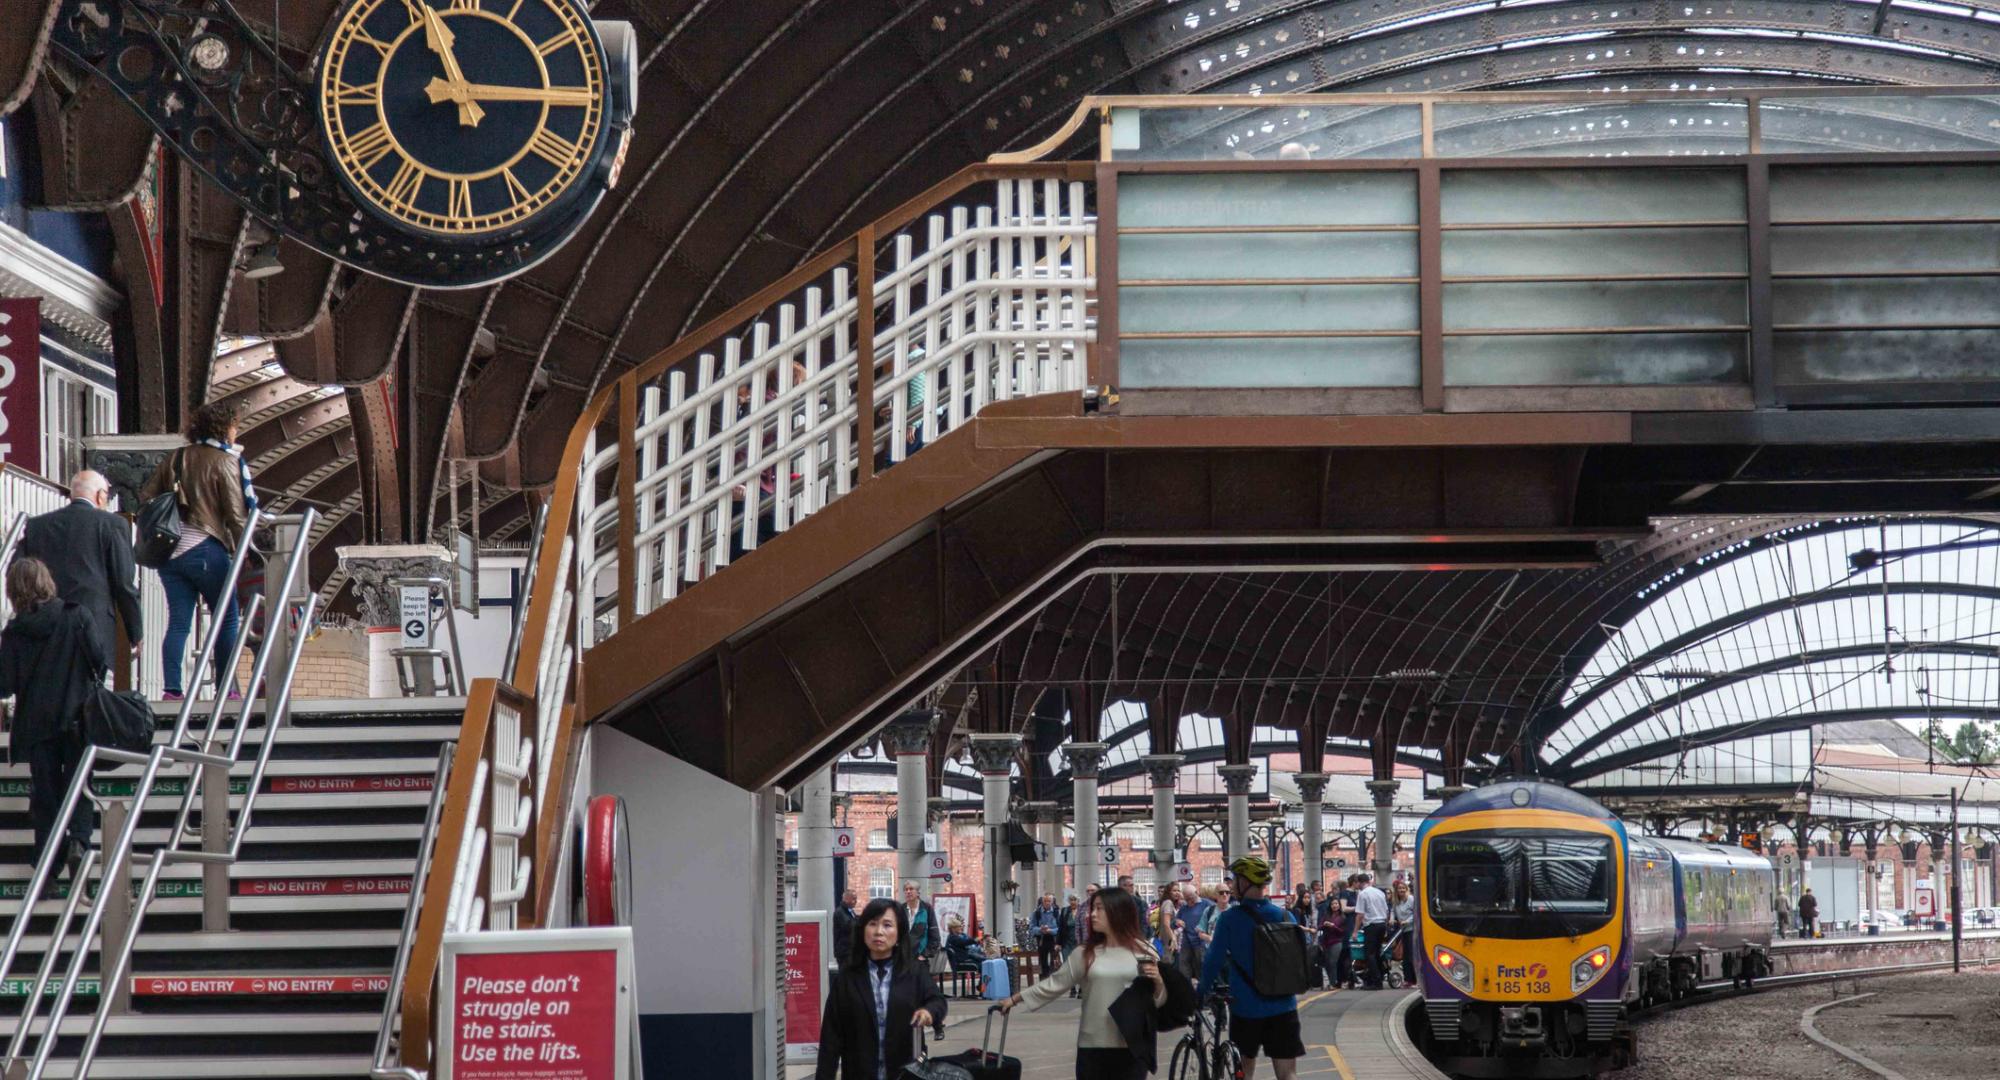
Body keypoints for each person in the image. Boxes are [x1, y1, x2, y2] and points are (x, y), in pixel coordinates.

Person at [0, 559, 109, 882]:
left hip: (36, 725)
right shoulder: (76, 616)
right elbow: (98, 662)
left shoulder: (14, 632)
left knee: (45, 796)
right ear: (47, 581)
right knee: (80, 783)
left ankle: (47, 866)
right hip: (78, 718)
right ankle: (78, 840)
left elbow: (5, 684)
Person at [141, 401, 257, 701]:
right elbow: (236, 514)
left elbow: (147, 496)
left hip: (170, 553)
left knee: (178, 621)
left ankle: (172, 690)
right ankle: (227, 689)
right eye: (234, 425)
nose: (236, 430)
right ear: (224, 427)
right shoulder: (225, 461)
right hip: (206, 549)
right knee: (226, 618)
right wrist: (247, 550)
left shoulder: (176, 458)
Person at [999, 887, 1167, 1080]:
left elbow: (1158, 1000)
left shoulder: (1145, 951)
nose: (1092, 914)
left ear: (1119, 912)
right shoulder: (1085, 953)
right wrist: (1014, 999)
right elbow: (1054, 984)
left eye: (1099, 909)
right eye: (1092, 908)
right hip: (1093, 1043)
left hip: (1133, 1043)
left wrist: (1159, 981)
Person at [14, 470, 143, 675]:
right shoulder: (113, 524)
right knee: (91, 691)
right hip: (94, 626)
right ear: (100, 495)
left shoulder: (38, 525)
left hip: (47, 624)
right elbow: (123, 583)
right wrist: (135, 632)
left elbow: (18, 571)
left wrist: (28, 611)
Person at [814, 898, 946, 1079]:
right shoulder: (848, 977)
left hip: (905, 1073)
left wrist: (929, 1011)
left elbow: (938, 1000)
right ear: (862, 930)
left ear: (899, 932)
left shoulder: (913, 971)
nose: (879, 932)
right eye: (872, 924)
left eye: (887, 925)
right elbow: (831, 1037)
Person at [1199, 856, 1304, 1080]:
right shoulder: (1286, 916)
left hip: (1245, 1008)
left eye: (1235, 879)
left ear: (1244, 883)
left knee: (1244, 1072)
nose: (1231, 884)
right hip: (1284, 1006)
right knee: (1288, 1074)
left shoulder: (1230, 919)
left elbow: (1213, 961)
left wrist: (1200, 994)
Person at [1354, 872, 1390, 990]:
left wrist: (1355, 931)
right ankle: (1379, 976)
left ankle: (1376, 981)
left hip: (1371, 925)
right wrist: (1385, 927)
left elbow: (1360, 914)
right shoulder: (1380, 892)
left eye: (1357, 883)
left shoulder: (1362, 894)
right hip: (1381, 925)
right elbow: (1386, 911)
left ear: (1360, 882)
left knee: (1369, 954)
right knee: (1378, 952)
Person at [1177, 885, 1216, 981]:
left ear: (1197, 893)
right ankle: (1186, 987)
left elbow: (1216, 920)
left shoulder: (1207, 904)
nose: (1189, 901)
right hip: (1186, 941)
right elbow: (1175, 921)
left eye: (1191, 898)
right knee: (1183, 965)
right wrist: (1177, 921)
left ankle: (1202, 989)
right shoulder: (1184, 907)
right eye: (1186, 899)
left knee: (1201, 966)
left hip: (1201, 941)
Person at [900, 881, 940, 961]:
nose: (908, 891)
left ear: (918, 893)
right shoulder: (900, 909)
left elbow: (935, 935)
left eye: (911, 889)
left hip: (920, 958)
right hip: (902, 958)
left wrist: (925, 954)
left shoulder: (927, 908)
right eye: (906, 889)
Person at [1029, 892, 1063, 979]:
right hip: (1041, 940)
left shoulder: (1057, 912)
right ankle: (1043, 981)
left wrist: (1050, 930)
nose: (1047, 903)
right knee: (1043, 963)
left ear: (1052, 902)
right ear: (1042, 901)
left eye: (1049, 901)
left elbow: (1061, 928)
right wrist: (1040, 930)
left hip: (1054, 939)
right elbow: (1032, 928)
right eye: (1045, 901)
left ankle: (1053, 982)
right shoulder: (1036, 912)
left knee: (1054, 962)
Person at [1390, 878, 1416, 986]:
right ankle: (1408, 979)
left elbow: (1416, 913)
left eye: (1403, 888)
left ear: (1406, 889)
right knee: (1404, 956)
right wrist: (1391, 919)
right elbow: (1392, 910)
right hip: (1402, 930)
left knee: (1410, 955)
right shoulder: (1396, 901)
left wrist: (1407, 921)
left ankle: (1414, 979)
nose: (1401, 890)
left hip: (1411, 930)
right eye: (1399, 888)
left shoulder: (1411, 899)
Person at [832, 889, 860, 966]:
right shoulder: (840, 912)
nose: (856, 901)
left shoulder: (850, 911)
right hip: (844, 952)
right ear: (847, 899)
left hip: (850, 951)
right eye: (854, 899)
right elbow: (849, 925)